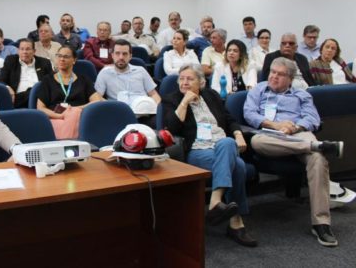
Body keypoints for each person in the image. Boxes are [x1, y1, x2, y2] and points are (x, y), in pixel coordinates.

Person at [243, 57, 344, 247]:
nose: (274, 77)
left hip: (298, 133)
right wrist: (275, 125)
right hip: (270, 135)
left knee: (318, 159)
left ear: (290, 79)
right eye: (272, 72)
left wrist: (295, 127)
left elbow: (312, 118)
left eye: (280, 74)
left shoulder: (301, 95)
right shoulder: (258, 90)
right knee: (256, 141)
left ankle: (321, 223)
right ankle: (317, 146)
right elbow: (249, 113)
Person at [162, 64, 256, 247]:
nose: (184, 82)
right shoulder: (171, 100)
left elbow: (229, 119)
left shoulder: (211, 95)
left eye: (190, 79)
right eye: (181, 79)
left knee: (227, 143)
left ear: (201, 82)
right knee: (238, 166)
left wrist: (238, 134)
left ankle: (215, 202)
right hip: (198, 150)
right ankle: (236, 222)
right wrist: (185, 102)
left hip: (222, 147)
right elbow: (171, 129)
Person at [37, 46, 102, 139]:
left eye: (66, 56)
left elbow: (96, 101)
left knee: (75, 113)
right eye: (59, 56)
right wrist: (60, 115)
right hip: (55, 119)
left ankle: (64, 143)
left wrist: (74, 109)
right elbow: (40, 108)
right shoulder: (47, 80)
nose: (62, 59)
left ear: (74, 60)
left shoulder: (83, 80)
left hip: (79, 119)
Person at [95, 39, 160, 120]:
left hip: (145, 114)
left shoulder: (141, 71)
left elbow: (153, 94)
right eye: (117, 53)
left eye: (125, 54)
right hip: (119, 116)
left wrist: (158, 110)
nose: (121, 57)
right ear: (112, 55)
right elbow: (97, 97)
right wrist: (112, 106)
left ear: (130, 56)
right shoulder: (104, 73)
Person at [0, 38, 53, 108]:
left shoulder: (44, 63)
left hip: (40, 99)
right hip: (16, 98)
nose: (24, 52)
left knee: (36, 91)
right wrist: (8, 88)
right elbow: (0, 80)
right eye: (22, 49)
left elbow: (51, 82)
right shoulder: (11, 61)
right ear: (18, 51)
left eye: (28, 49)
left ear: (34, 51)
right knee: (34, 91)